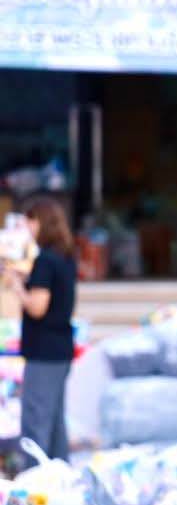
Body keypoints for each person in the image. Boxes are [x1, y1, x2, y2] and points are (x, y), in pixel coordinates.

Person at [2, 197, 77, 468]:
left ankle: (35, 484)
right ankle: (61, 478)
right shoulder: (65, 257)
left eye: (30, 222)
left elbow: (37, 307)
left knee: (36, 423)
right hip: (60, 349)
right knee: (55, 423)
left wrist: (17, 288)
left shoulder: (45, 260)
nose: (28, 228)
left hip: (44, 352)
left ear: (42, 223)